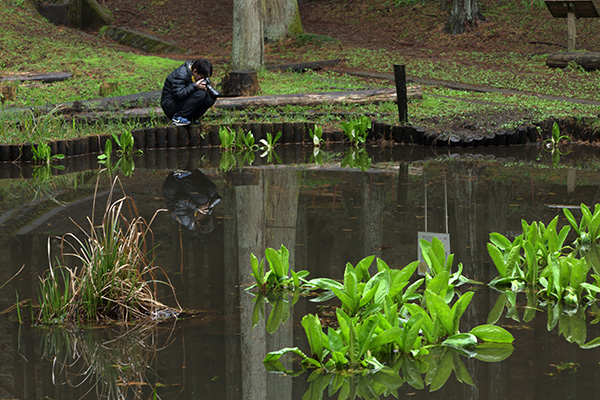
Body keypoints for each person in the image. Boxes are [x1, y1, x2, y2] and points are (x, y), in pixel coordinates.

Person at [160, 58, 218, 126]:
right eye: (201, 77)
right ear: (195, 71)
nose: (202, 79)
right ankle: (178, 118)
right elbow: (178, 95)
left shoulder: (194, 74)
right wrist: (195, 86)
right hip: (170, 105)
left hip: (181, 102)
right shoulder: (181, 74)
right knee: (200, 94)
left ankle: (191, 119)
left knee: (210, 98)